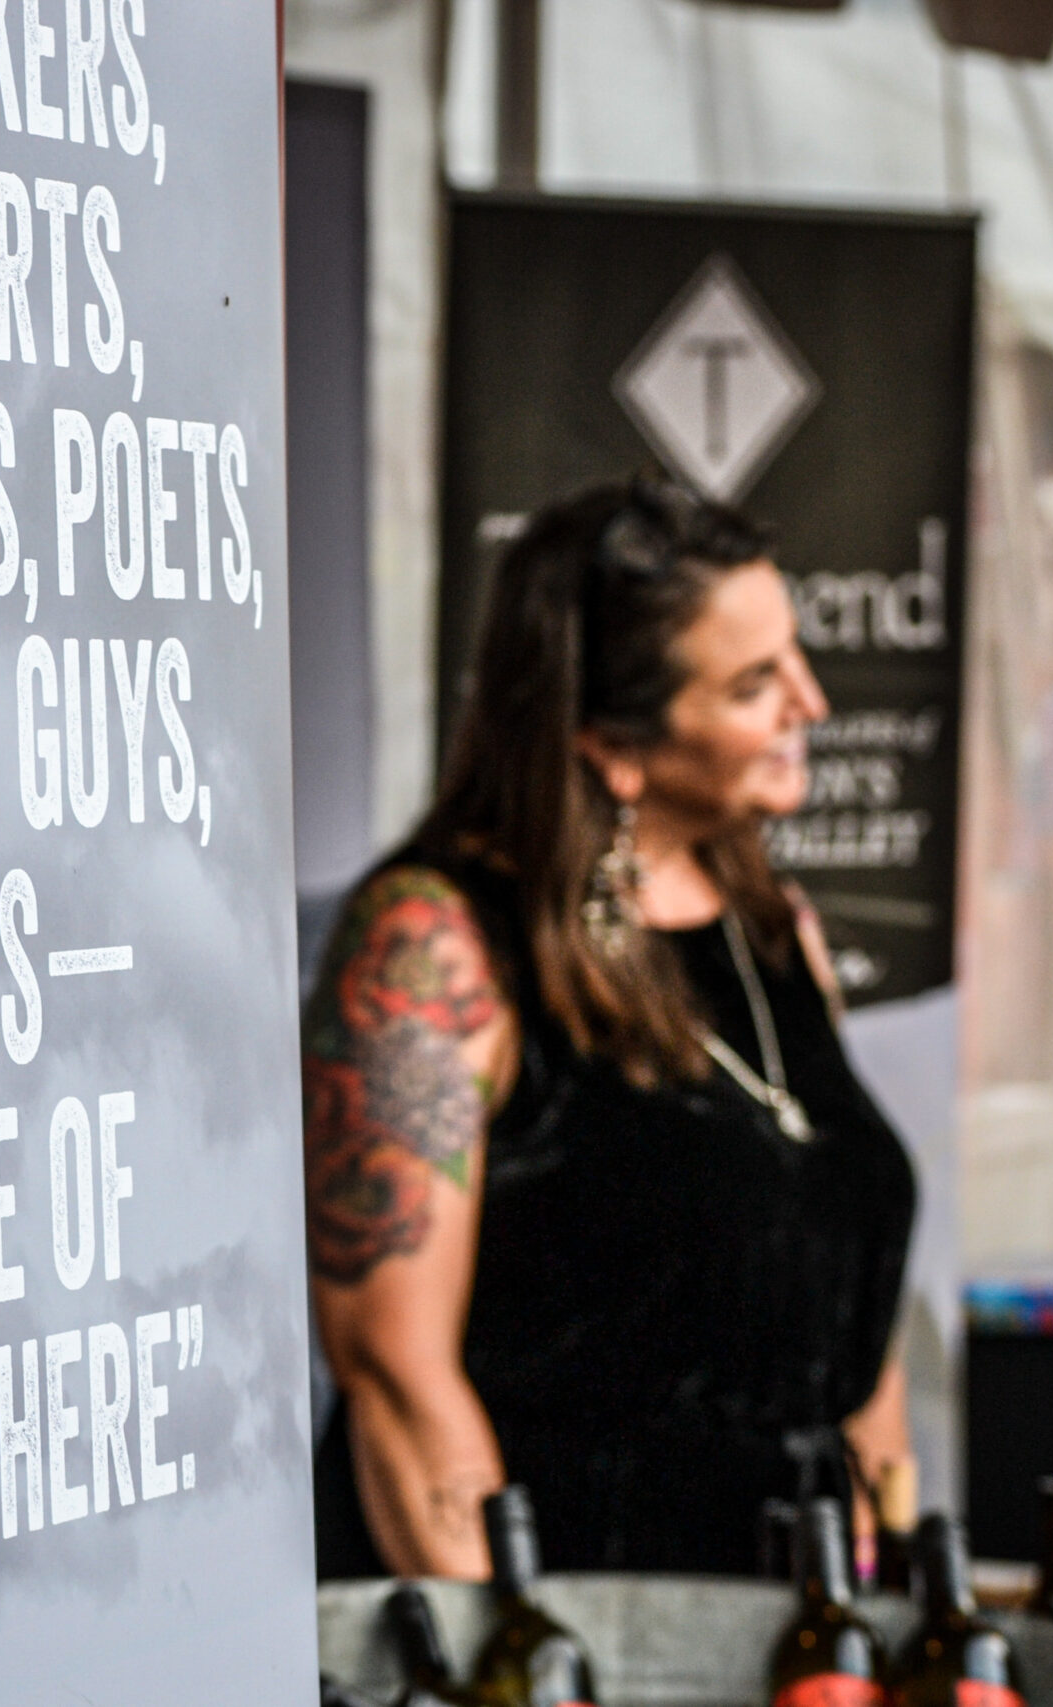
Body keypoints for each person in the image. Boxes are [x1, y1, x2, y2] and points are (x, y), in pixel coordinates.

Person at [303, 477, 919, 1579]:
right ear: (608, 745)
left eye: (794, 655)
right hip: (571, 1604)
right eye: (753, 684)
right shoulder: (431, 946)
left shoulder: (775, 929)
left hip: (784, 1614)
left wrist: (887, 1572)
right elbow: (394, 1374)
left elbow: (843, 1293)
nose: (812, 705)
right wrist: (516, 1660)